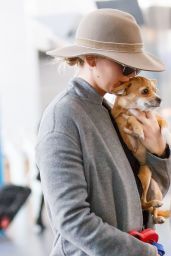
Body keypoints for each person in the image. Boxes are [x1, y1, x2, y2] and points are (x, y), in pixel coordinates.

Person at [35, 9, 171, 256]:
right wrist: (143, 252)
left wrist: (158, 150)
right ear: (91, 58)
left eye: (136, 69)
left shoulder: (109, 111)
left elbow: (151, 197)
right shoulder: (63, 118)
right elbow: (73, 221)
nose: (132, 76)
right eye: (126, 66)